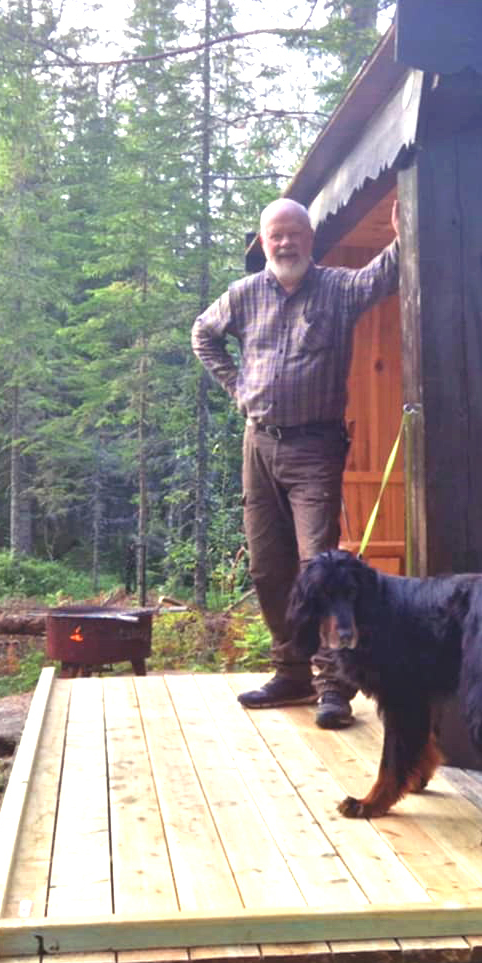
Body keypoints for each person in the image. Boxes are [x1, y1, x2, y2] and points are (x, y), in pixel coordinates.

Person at [191, 196, 399, 728]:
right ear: (262, 243)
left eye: (294, 234)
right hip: (258, 444)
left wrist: (405, 231)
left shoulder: (337, 290)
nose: (285, 243)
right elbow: (202, 334)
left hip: (315, 447)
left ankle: (334, 684)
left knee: (320, 567)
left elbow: (384, 274)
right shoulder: (243, 295)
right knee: (268, 566)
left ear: (311, 240)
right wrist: (238, 389)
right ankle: (291, 673)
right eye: (275, 236)